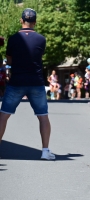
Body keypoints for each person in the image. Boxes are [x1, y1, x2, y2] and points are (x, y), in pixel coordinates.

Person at [0, 8, 55, 160]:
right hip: (36, 81)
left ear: (21, 20)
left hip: (17, 81)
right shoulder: (41, 39)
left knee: (3, 116)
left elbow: (9, 60)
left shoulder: (12, 39)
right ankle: (45, 151)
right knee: (43, 116)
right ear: (35, 22)